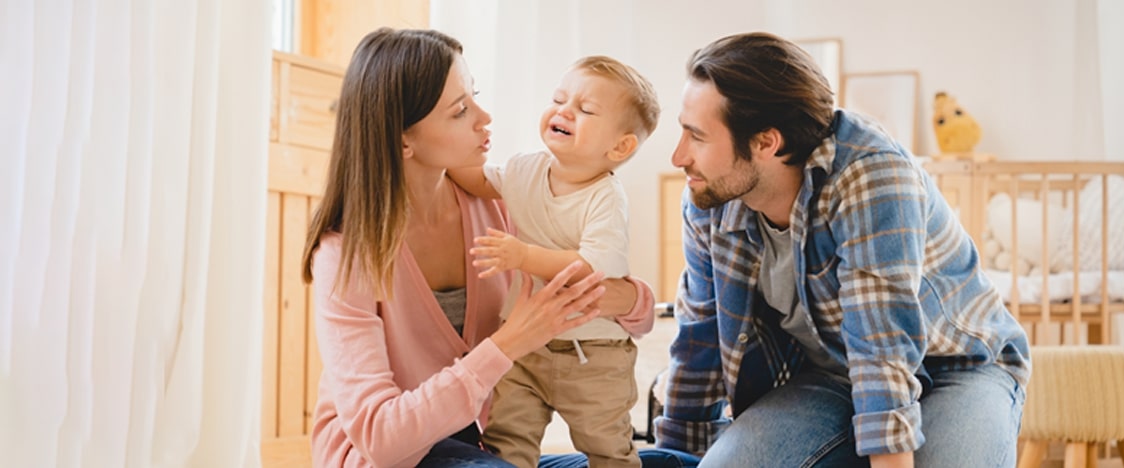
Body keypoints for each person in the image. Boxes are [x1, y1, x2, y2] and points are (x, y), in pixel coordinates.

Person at [301, 28, 695, 468]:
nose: (484, 118)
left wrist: (620, 295)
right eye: (459, 111)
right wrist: (509, 343)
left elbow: (636, 313)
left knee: (676, 463)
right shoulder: (346, 255)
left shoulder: (498, 206)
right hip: (390, 461)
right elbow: (381, 439)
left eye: (476, 96)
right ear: (403, 139)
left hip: (482, 452)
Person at [654, 32, 1031, 468]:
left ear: (765, 142)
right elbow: (702, 332)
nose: (678, 156)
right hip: (832, 374)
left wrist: (891, 456)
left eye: (696, 136)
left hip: (957, 364)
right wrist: (678, 456)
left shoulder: (870, 174)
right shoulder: (710, 198)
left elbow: (880, 344)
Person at [447, 55, 659, 468]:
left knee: (607, 448)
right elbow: (476, 179)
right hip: (525, 345)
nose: (563, 111)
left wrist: (523, 255)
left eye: (585, 109)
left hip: (593, 353)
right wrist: (435, 152)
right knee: (507, 440)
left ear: (620, 146)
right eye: (559, 99)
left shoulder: (606, 198)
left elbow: (591, 269)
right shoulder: (526, 168)